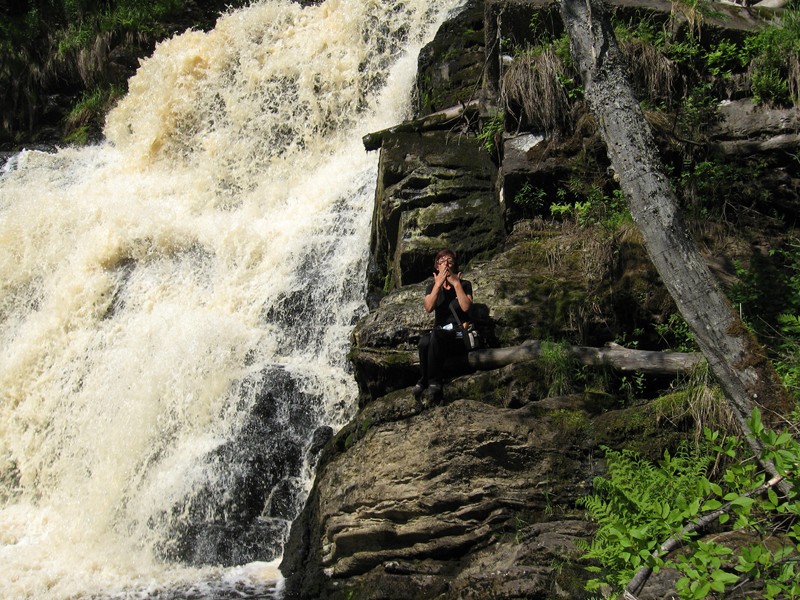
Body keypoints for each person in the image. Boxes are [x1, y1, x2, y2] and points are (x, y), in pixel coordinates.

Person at [413, 249, 473, 402]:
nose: (446, 264)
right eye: (442, 261)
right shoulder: (432, 287)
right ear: (437, 267)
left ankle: (434, 382)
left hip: (458, 334)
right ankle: (423, 379)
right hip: (439, 335)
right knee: (424, 341)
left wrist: (456, 284)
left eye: (450, 261)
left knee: (436, 336)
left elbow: (466, 307)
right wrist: (438, 285)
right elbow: (428, 307)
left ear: (454, 266)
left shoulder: (465, 284)